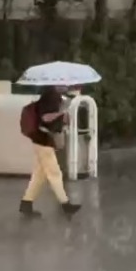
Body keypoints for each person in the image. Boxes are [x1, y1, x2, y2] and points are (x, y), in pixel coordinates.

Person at [20, 85, 82, 218]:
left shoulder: (55, 97)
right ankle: (66, 205)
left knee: (39, 175)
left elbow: (53, 120)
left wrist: (64, 119)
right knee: (55, 173)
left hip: (43, 138)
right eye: (64, 84)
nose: (66, 86)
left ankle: (26, 203)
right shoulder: (50, 97)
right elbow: (45, 118)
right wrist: (61, 113)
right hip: (43, 139)